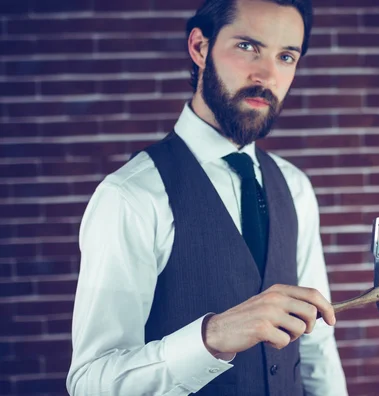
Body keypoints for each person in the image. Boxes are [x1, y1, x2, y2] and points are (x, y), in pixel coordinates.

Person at [66, 0, 348, 395]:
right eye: (248, 46)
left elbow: (316, 345)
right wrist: (212, 337)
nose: (267, 73)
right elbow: (90, 383)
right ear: (200, 48)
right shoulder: (131, 195)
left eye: (286, 56)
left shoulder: (295, 185)